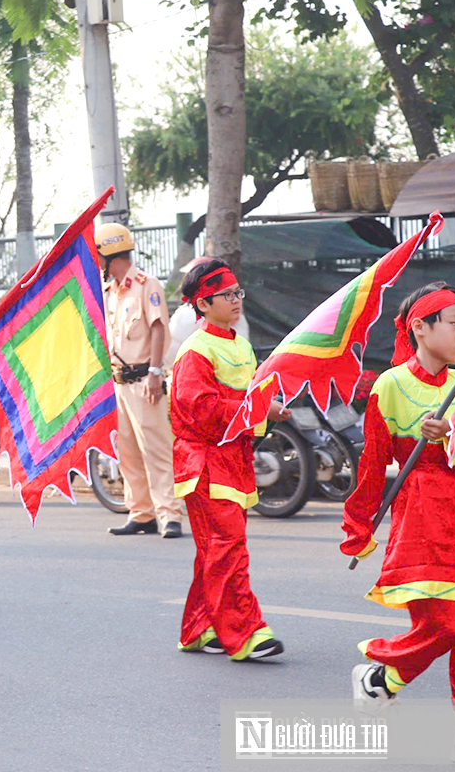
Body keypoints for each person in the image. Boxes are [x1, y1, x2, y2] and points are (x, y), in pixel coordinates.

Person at [340, 282, 455, 763]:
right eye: (454, 324)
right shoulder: (391, 386)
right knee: (441, 626)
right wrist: (359, 529)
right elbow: (373, 465)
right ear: (420, 326)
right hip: (422, 518)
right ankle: (378, 676)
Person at [170, 259, 287, 661]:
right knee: (227, 547)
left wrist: (268, 408)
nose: (236, 300)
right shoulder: (195, 352)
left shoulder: (239, 343)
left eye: (238, 292)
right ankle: (246, 633)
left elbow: (247, 399)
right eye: (227, 295)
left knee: (214, 550)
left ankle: (198, 628)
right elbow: (198, 409)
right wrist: (258, 408)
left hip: (233, 458)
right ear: (202, 304)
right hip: (204, 462)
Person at [95, 224, 183, 538]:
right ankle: (141, 513)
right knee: (128, 452)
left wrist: (156, 372)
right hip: (118, 384)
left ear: (108, 254)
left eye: (98, 256)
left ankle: (170, 515)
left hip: (145, 380)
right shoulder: (108, 292)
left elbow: (158, 328)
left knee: (156, 450)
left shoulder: (147, 285)